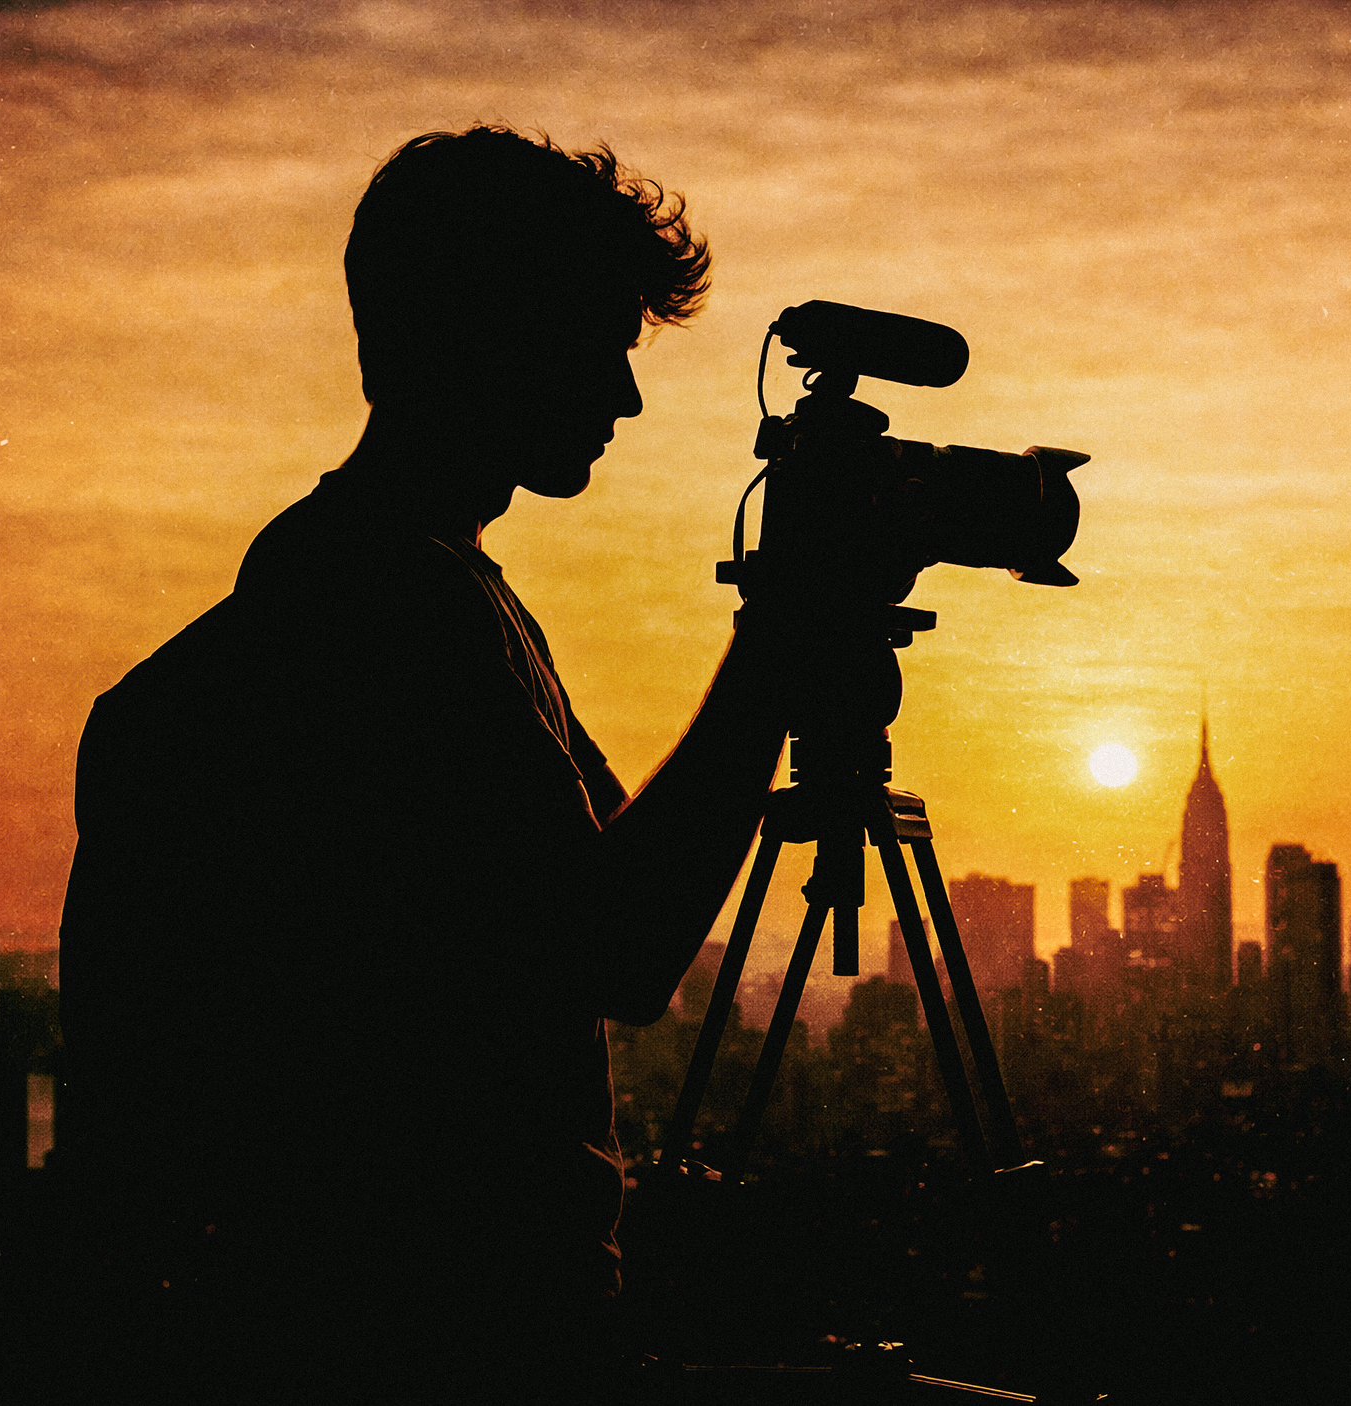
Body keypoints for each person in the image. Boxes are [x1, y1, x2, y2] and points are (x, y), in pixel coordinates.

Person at [57, 126, 807, 1390]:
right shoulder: (392, 608)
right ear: (490, 335)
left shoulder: (420, 591)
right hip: (448, 1343)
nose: (625, 400)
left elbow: (601, 879)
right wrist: (783, 637)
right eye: (601, 346)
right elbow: (622, 944)